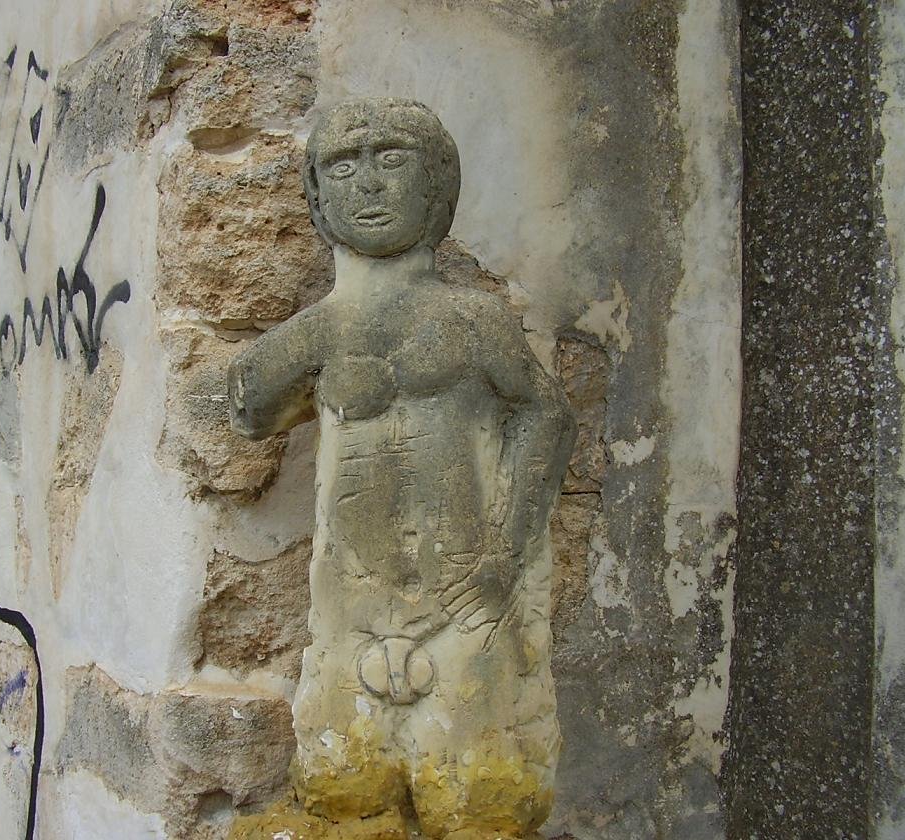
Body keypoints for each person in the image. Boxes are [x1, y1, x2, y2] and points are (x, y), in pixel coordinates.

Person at [228, 98, 576, 840]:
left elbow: (545, 419)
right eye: (341, 167)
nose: (368, 184)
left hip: (463, 604)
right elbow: (248, 408)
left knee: (479, 802)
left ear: (438, 183)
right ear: (316, 195)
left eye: (391, 159)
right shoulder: (323, 328)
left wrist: (504, 556)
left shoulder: (472, 320)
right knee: (344, 791)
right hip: (348, 614)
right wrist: (317, 334)